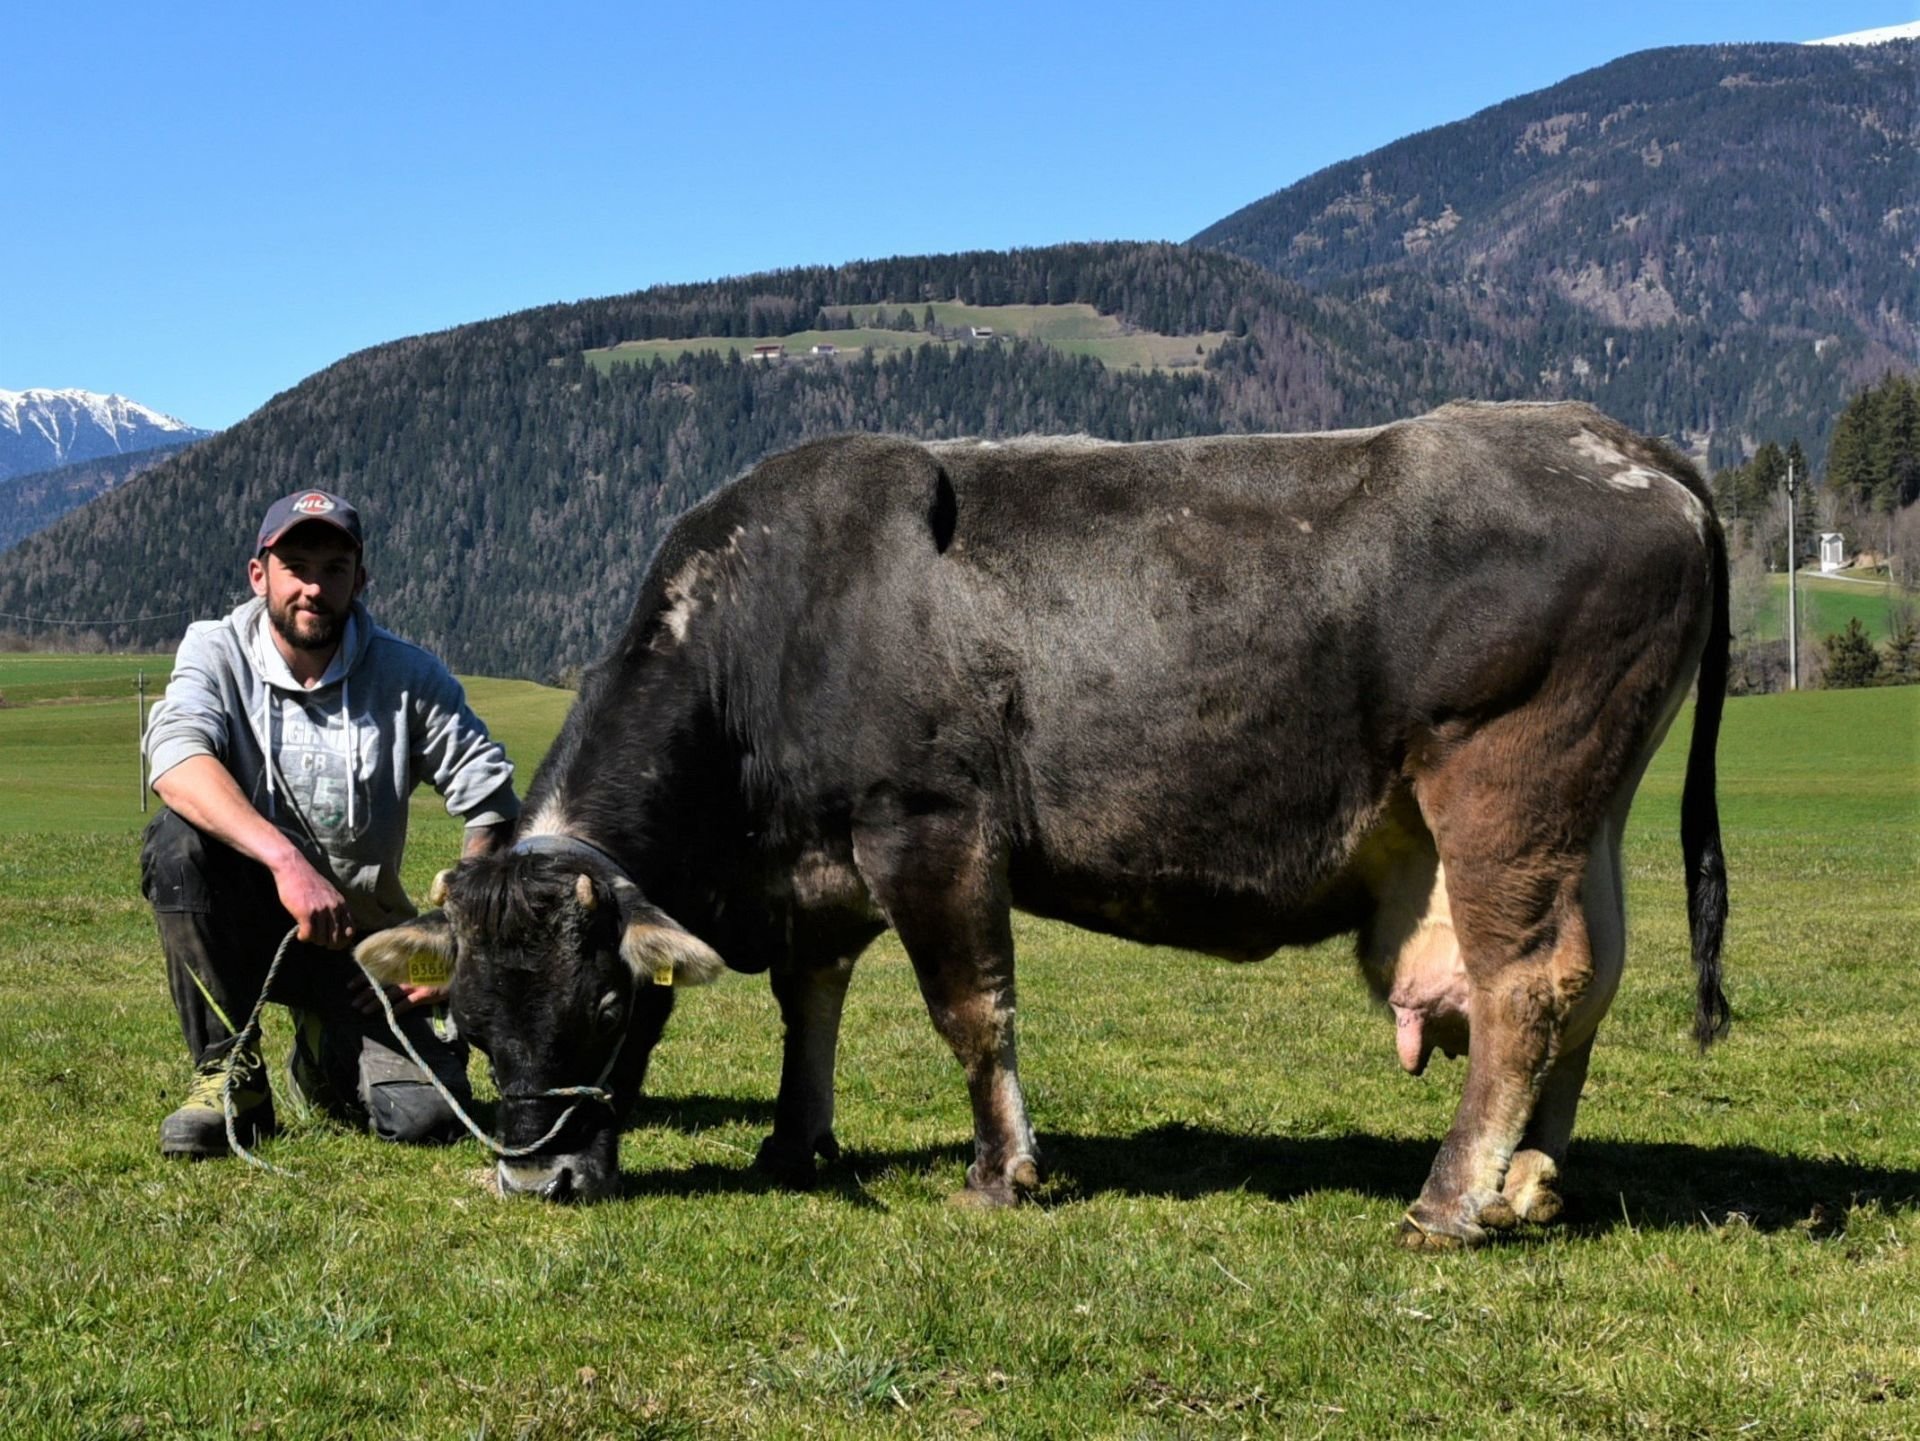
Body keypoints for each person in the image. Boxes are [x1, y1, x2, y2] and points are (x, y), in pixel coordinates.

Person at [141, 488, 521, 1157]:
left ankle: (326, 1055)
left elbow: (490, 794)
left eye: (334, 568)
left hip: (361, 942)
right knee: (176, 840)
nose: (314, 587)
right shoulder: (215, 651)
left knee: (425, 1118)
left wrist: (458, 940)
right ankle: (230, 1074)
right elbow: (175, 757)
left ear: (360, 579)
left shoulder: (407, 675)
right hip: (246, 927)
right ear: (259, 574)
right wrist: (286, 862)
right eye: (297, 566)